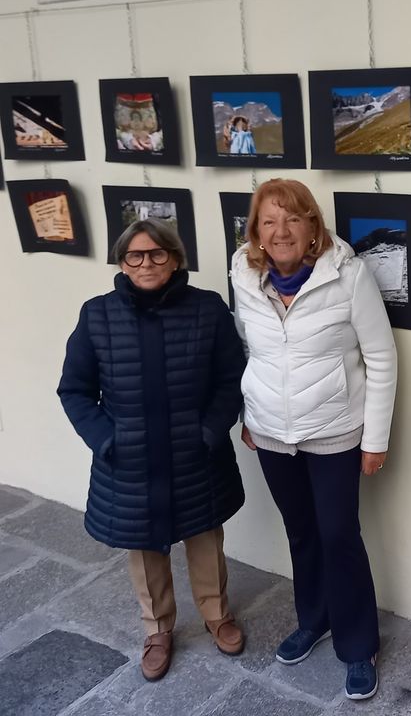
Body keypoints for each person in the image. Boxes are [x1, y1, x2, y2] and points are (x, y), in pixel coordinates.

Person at [58, 218, 246, 681]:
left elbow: (231, 379)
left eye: (158, 253)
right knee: (144, 548)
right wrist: (106, 440)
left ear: (175, 259)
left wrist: (209, 431)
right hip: (130, 461)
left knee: (205, 538)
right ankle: (157, 628)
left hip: (195, 454)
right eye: (135, 255)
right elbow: (75, 390)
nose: (147, 264)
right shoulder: (97, 315)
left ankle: (217, 614)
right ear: (122, 263)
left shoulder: (207, 309)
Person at [230, 178, 397, 700]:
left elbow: (382, 358)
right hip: (270, 432)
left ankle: (359, 644)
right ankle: (315, 619)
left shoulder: (347, 275)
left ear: (312, 227)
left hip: (334, 431)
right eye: (269, 221)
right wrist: (249, 414)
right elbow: (247, 349)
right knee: (301, 532)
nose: (281, 231)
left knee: (339, 534)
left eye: (293, 219)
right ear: (256, 231)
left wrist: (375, 439)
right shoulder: (243, 275)